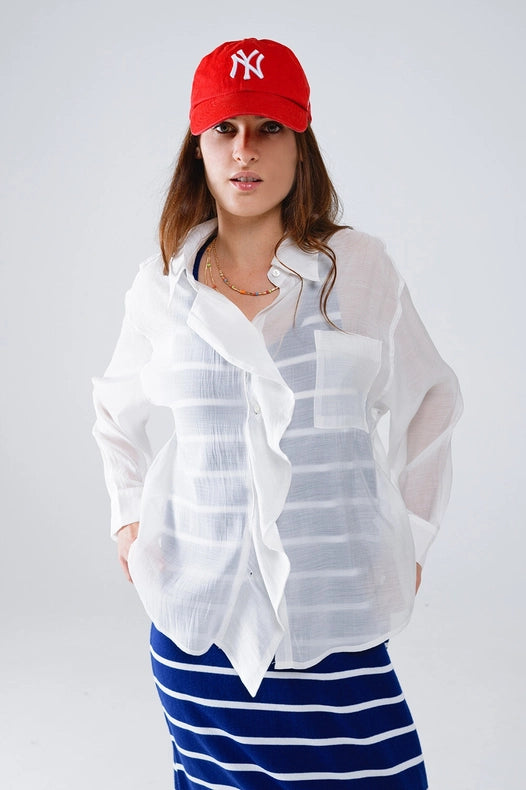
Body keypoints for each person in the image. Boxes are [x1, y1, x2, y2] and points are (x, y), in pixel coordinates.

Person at [92, 37, 462, 790]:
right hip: (201, 628)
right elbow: (114, 411)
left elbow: (431, 397)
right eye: (225, 128)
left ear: (301, 145)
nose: (245, 150)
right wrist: (129, 522)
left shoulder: (357, 270)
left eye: (269, 127)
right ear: (198, 147)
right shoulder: (162, 290)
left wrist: (412, 536)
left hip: (333, 615)